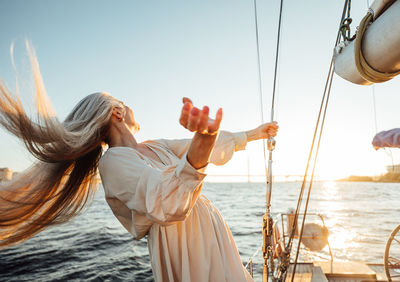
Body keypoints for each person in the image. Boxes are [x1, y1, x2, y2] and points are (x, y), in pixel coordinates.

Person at [0, 45, 278, 282]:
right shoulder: (113, 164)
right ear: (116, 112)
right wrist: (203, 141)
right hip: (187, 248)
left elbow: (203, 146)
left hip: (209, 236)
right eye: (124, 102)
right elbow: (167, 201)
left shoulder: (153, 146)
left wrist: (252, 133)